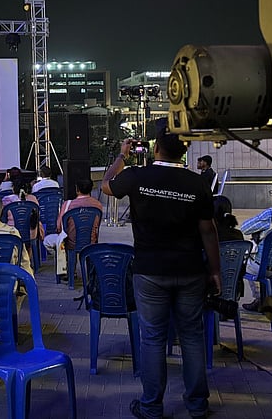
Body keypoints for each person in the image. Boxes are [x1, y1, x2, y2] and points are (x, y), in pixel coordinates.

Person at [101, 128, 220, 419]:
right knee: (192, 336)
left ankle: (151, 406)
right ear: (183, 153)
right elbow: (208, 230)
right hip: (190, 269)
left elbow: (106, 185)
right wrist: (215, 270)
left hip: (150, 270)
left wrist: (122, 155)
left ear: (155, 151)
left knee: (152, 338)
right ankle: (197, 405)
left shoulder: (137, 177)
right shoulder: (197, 182)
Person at [239, 178, 272, 312]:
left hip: (269, 269)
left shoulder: (271, 214)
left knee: (246, 261)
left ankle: (260, 299)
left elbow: (245, 228)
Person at [42, 177, 103, 278]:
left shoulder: (68, 204)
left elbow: (59, 226)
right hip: (91, 241)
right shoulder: (98, 205)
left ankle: (66, 267)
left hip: (71, 243)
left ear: (77, 190)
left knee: (48, 241)